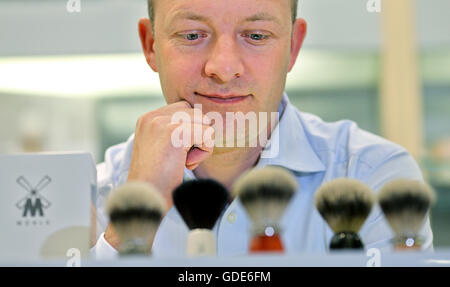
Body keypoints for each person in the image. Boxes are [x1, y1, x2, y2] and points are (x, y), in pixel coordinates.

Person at [91, 0, 433, 259]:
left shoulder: (373, 175)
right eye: (192, 35)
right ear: (151, 44)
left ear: (292, 47)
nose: (223, 69)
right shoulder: (85, 196)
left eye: (256, 35)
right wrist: (131, 223)